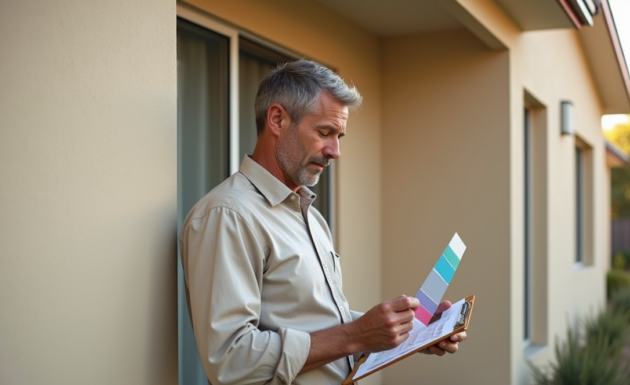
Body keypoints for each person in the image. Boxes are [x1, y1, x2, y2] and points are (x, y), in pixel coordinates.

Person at [179, 59, 466, 385]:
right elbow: (231, 359)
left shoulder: (311, 217)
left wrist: (408, 333)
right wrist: (356, 334)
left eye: (339, 135)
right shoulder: (228, 215)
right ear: (277, 120)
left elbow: (318, 331)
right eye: (324, 132)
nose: (336, 151)